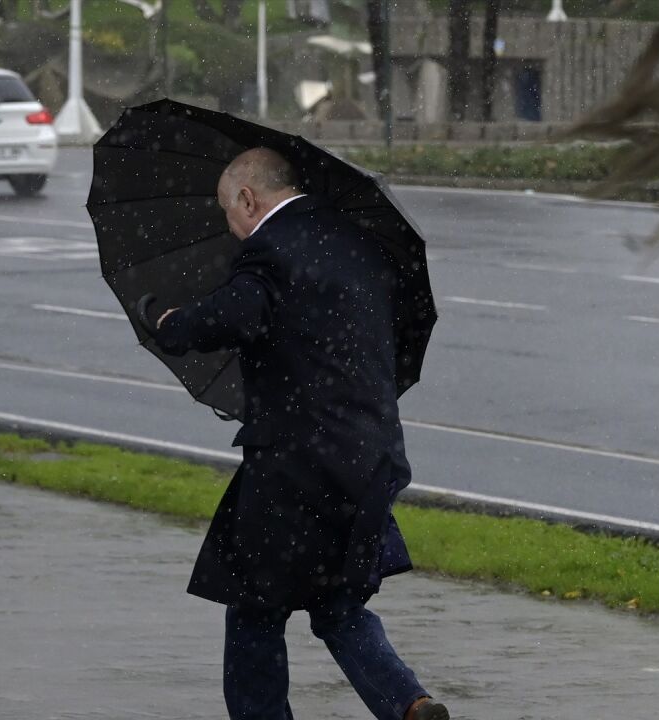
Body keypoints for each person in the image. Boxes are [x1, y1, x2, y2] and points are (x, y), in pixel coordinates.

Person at [149, 147, 449, 720]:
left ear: (247, 198)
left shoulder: (271, 250)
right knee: (337, 605)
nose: (230, 227)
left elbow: (231, 316)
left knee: (254, 607)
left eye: (227, 211)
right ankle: (409, 705)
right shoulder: (359, 243)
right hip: (372, 455)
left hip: (297, 466)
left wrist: (171, 324)